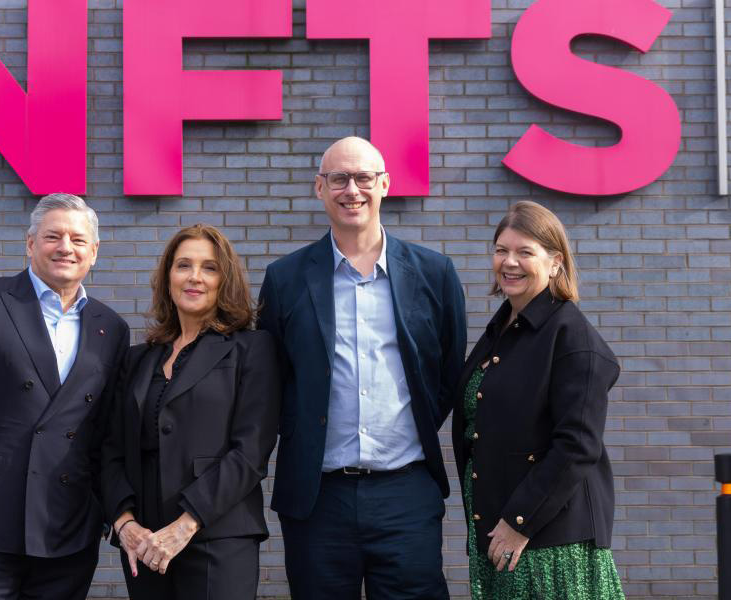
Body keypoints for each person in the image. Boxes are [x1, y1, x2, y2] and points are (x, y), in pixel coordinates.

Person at [257, 136, 468, 599]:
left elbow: (450, 372)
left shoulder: (434, 273)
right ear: (319, 188)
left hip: (406, 493)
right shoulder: (285, 278)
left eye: (364, 178)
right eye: (339, 179)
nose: (352, 190)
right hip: (318, 497)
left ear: (385, 184)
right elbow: (272, 380)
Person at [0, 193, 130, 599]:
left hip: (67, 528)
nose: (65, 247)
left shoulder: (111, 327)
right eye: (53, 236)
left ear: (94, 252)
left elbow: (105, 433)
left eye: (78, 240)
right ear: (31, 243)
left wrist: (105, 514)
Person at [451, 200, 625, 599]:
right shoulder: (503, 328)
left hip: (547, 545)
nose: (509, 262)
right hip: (501, 537)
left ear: (555, 262)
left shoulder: (571, 336)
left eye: (525, 252)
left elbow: (578, 445)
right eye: (501, 250)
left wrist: (519, 521)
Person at [100, 224, 281, 600]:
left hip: (217, 536)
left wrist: (185, 524)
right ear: (168, 277)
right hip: (144, 541)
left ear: (224, 280)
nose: (194, 276)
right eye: (183, 265)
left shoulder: (251, 349)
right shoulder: (137, 359)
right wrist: (124, 522)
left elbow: (250, 452)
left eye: (209, 267)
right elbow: (110, 449)